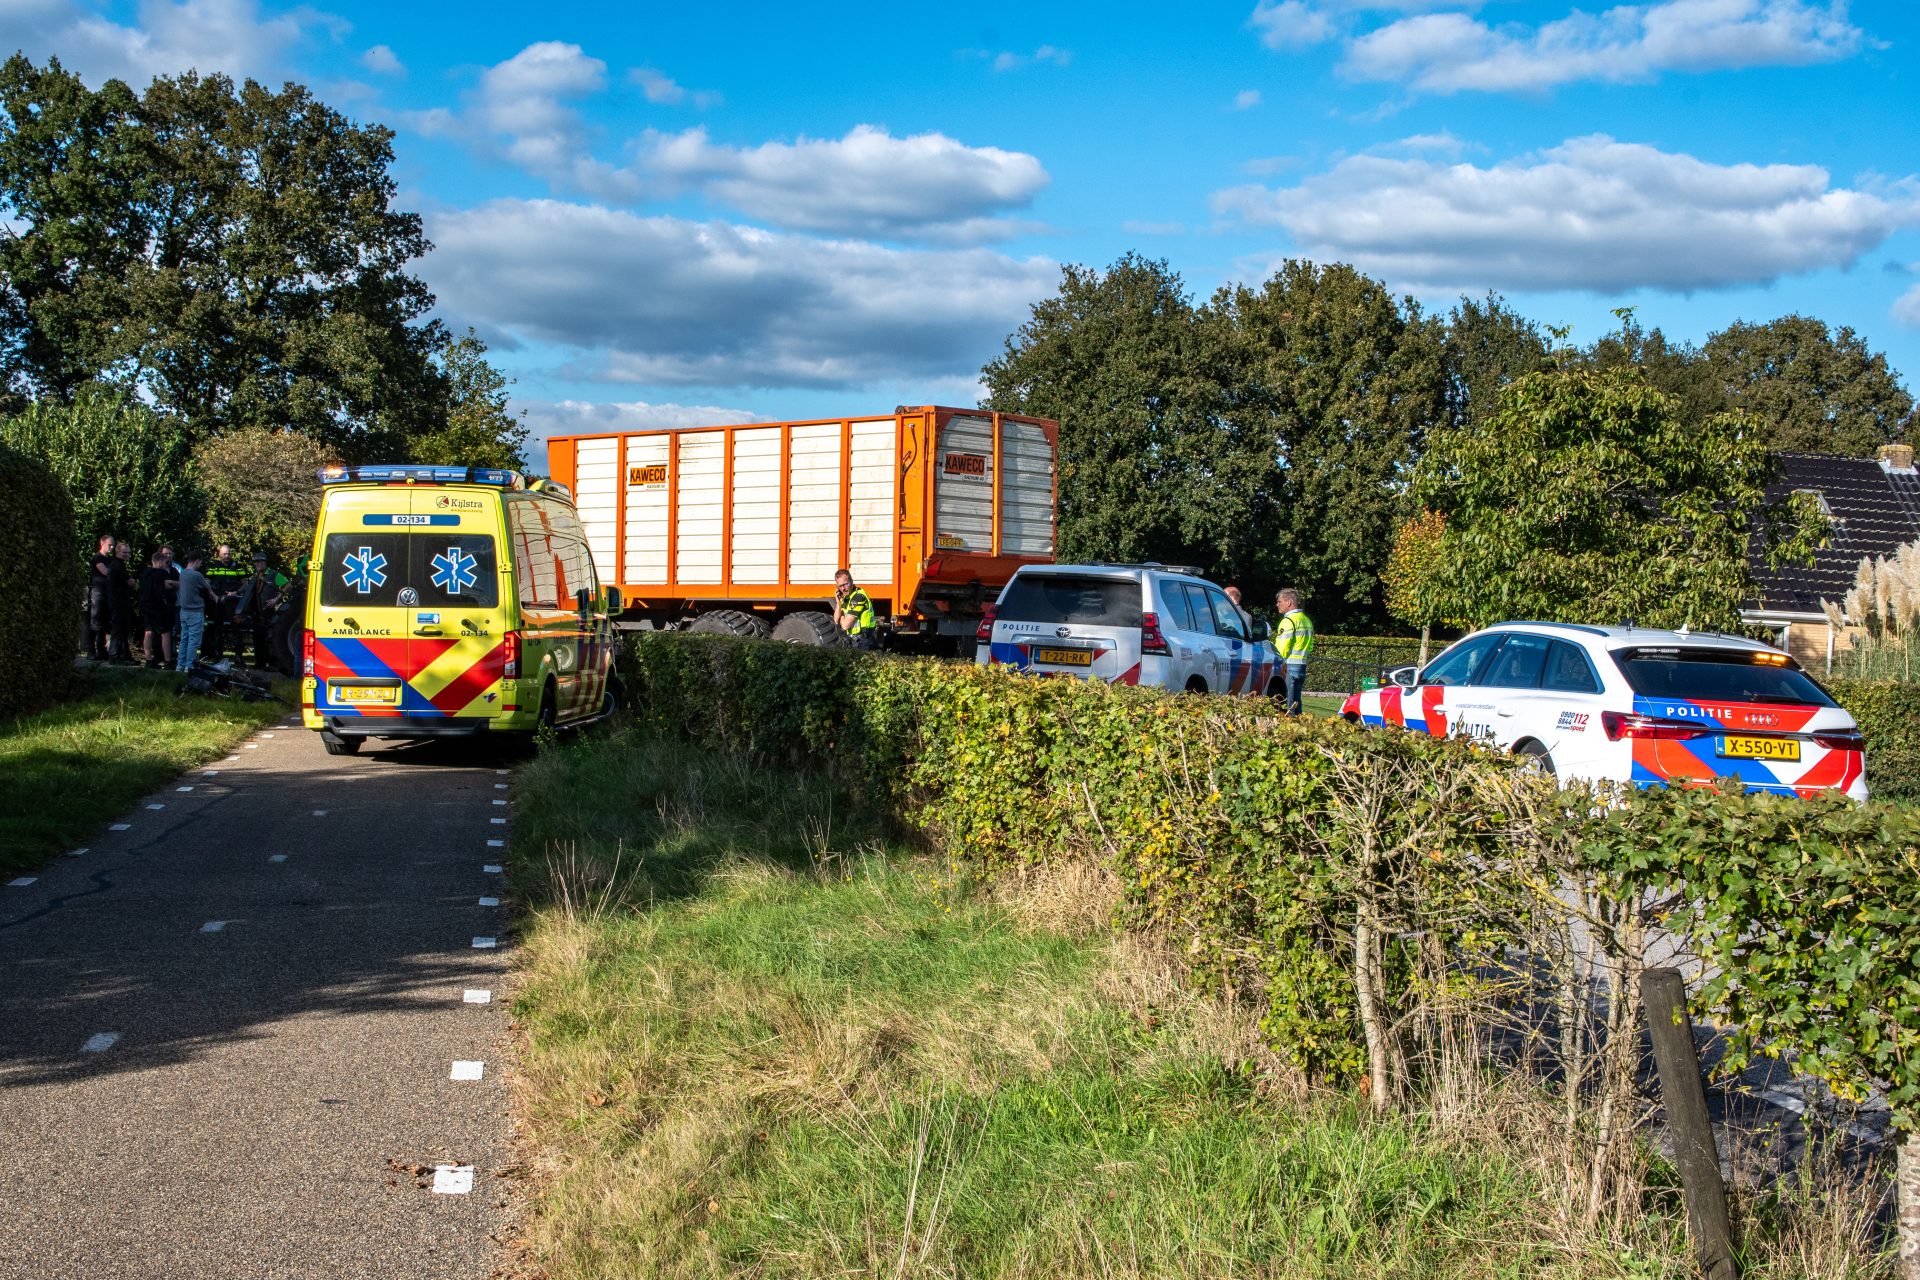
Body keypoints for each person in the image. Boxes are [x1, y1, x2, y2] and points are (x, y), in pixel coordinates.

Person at [237, 550, 289, 669]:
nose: (257, 564)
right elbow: (245, 588)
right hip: (257, 614)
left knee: (269, 639)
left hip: (268, 613)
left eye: (259, 561)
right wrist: (235, 592)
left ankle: (272, 664)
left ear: (265, 562)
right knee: (257, 638)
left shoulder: (273, 574)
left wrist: (276, 599)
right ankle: (260, 664)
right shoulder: (255, 577)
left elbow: (288, 585)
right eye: (255, 562)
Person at [1273, 587, 1315, 715]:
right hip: (1301, 665)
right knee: (1296, 701)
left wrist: (1276, 661)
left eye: (1279, 601)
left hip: (1289, 665)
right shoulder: (1306, 620)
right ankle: (1299, 722)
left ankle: (1289, 724)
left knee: (1287, 702)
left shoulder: (1288, 621)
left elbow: (1282, 647)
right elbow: (1310, 646)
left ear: (1289, 602)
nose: (1277, 604)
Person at [204, 543, 247, 660]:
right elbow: (206, 582)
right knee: (217, 629)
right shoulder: (214, 566)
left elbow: (245, 583)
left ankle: (238, 657)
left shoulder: (237, 567)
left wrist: (236, 592)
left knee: (236, 630)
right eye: (224, 554)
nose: (227, 556)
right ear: (219, 554)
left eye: (228, 554)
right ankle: (218, 655)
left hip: (233, 604)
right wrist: (212, 594)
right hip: (218, 602)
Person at [175, 552, 214, 672]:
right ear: (197, 560)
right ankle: (189, 666)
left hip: (183, 612)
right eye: (200, 562)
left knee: (184, 639)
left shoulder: (182, 574)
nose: (200, 565)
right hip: (195, 612)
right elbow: (208, 588)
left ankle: (180, 665)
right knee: (193, 640)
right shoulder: (197, 575)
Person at [139, 550, 176, 668]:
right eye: (165, 562)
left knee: (148, 632)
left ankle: (149, 659)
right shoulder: (160, 573)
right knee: (165, 633)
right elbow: (166, 587)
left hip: (145, 605)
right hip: (158, 607)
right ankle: (168, 660)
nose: (166, 564)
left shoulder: (145, 573)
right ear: (159, 562)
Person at [832, 568, 879, 651]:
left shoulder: (858, 597)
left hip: (864, 641)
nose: (843, 588)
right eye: (840, 586)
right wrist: (838, 602)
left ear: (851, 581)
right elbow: (836, 620)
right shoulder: (846, 597)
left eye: (845, 584)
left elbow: (845, 626)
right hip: (854, 640)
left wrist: (841, 616)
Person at [86, 534, 116, 661]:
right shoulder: (97, 557)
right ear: (102, 543)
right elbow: (105, 572)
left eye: (113, 545)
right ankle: (90, 650)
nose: (112, 547)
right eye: (110, 544)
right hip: (98, 592)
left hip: (107, 593)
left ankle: (101, 650)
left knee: (104, 622)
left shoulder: (110, 559)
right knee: (95, 621)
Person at [108, 539, 136, 663]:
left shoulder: (119, 565)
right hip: (117, 602)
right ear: (118, 552)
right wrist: (131, 581)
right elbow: (130, 582)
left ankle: (124, 655)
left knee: (123, 628)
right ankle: (114, 655)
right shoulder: (117, 565)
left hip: (121, 601)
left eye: (128, 552)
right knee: (118, 629)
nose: (127, 555)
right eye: (125, 552)